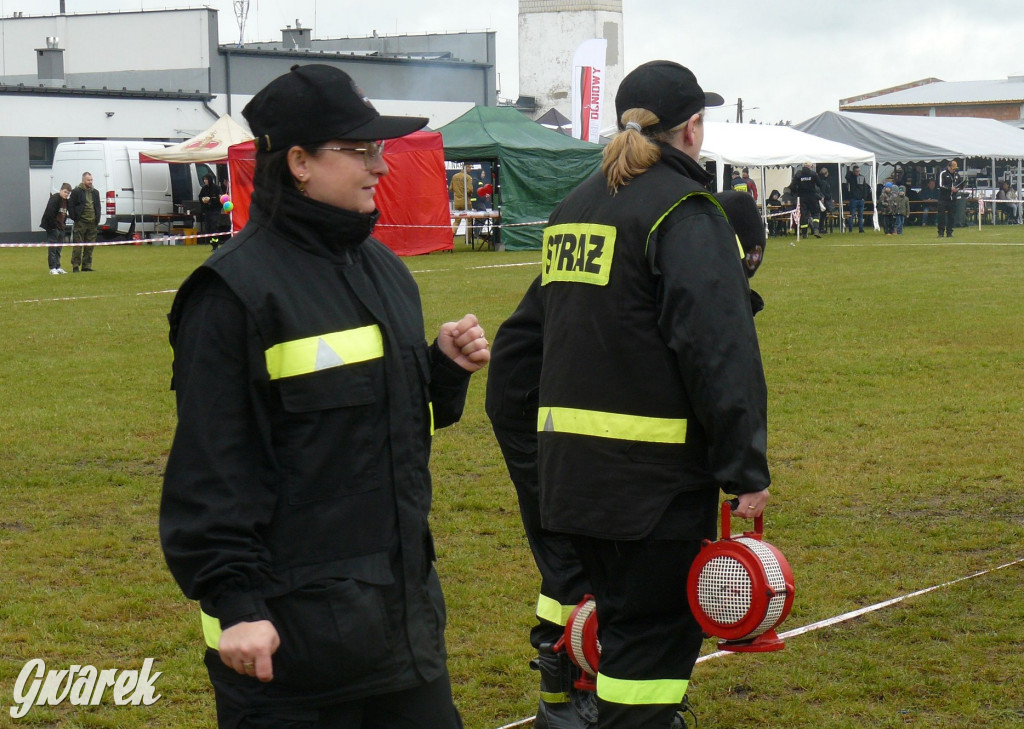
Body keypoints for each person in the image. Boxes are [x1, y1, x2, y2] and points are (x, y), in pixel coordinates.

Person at [160, 63, 491, 729]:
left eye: (381, 149)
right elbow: (212, 466)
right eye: (361, 150)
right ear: (301, 163)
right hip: (291, 657)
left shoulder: (386, 272)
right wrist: (238, 604)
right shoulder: (233, 295)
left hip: (400, 632)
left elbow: (380, 424)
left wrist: (442, 371)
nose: (383, 168)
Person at [534, 60, 770, 729]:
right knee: (651, 655)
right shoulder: (684, 211)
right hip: (653, 490)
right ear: (693, 128)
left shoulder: (573, 208)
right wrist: (745, 469)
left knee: (623, 636)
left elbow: (526, 344)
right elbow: (719, 350)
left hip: (571, 482)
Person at [485, 185, 770, 729]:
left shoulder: (609, 232)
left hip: (549, 421)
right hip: (549, 424)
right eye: (749, 260)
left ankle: (573, 696)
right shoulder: (680, 242)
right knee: (599, 575)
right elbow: (710, 359)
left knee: (587, 566)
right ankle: (585, 701)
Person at [69, 171, 100, 272]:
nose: (90, 182)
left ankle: (87, 266)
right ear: (83, 180)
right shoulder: (76, 191)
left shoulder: (95, 192)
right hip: (81, 223)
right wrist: (75, 217)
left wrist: (97, 218)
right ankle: (75, 266)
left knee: (90, 246)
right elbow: (71, 205)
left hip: (92, 223)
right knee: (78, 246)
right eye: (88, 180)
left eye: (91, 180)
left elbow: (98, 206)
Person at [40, 182, 72, 274]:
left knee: (59, 249)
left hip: (61, 227)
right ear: (61, 190)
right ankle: (52, 268)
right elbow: (49, 214)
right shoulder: (54, 199)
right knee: (52, 249)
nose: (66, 194)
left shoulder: (66, 201)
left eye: (68, 193)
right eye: (65, 192)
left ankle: (58, 266)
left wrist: (63, 225)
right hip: (53, 227)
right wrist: (54, 226)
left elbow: (65, 214)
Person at [791, 161, 823, 238]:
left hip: (802, 197)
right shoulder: (813, 174)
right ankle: (816, 229)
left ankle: (805, 234)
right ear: (810, 166)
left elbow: (792, 186)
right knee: (816, 213)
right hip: (812, 196)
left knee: (804, 215)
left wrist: (797, 192)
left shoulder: (798, 174)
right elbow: (820, 184)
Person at [198, 173, 225, 250]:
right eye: (204, 179)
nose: (204, 181)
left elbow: (220, 199)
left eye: (206, 179)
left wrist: (210, 199)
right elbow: (200, 197)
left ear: (210, 179)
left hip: (215, 211)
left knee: (214, 227)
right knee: (208, 228)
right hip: (207, 211)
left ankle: (216, 245)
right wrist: (203, 200)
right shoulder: (204, 189)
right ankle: (212, 244)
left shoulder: (217, 188)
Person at [937, 160, 962, 238]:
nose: (954, 170)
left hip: (953, 198)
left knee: (951, 216)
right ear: (949, 167)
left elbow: (960, 184)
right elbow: (941, 185)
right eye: (953, 168)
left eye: (955, 169)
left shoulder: (957, 175)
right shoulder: (943, 174)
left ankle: (949, 232)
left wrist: (959, 188)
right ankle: (941, 232)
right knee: (941, 216)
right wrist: (950, 189)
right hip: (943, 199)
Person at [449, 163, 476, 236]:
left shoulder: (454, 176)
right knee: (469, 221)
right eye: (470, 167)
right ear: (466, 167)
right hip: (466, 202)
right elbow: (470, 190)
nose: (470, 169)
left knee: (457, 221)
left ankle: (451, 235)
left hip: (457, 202)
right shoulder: (468, 177)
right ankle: (469, 239)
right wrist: (469, 195)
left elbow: (451, 188)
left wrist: (457, 192)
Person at [845, 164, 869, 233]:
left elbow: (865, 188)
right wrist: (850, 170)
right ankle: (850, 229)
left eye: (858, 171)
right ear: (853, 171)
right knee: (852, 215)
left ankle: (861, 229)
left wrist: (864, 197)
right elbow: (846, 176)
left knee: (860, 215)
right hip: (853, 198)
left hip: (860, 199)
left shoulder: (862, 177)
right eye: (856, 171)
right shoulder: (851, 178)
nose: (858, 172)